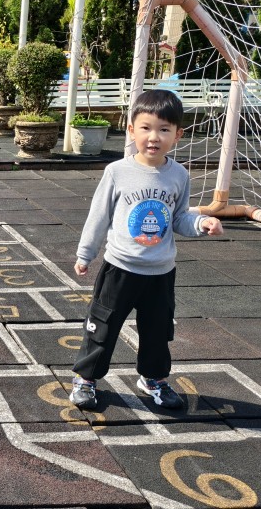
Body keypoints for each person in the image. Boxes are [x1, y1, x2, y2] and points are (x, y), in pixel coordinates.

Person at [69, 89, 223, 411]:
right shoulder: (117, 172)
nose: (154, 137)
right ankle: (86, 379)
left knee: (157, 331)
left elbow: (179, 218)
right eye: (146, 128)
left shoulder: (179, 175)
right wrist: (86, 254)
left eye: (164, 129)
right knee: (103, 327)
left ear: (178, 135)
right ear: (131, 130)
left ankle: (153, 378)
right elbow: (99, 216)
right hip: (120, 268)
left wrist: (201, 223)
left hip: (160, 272)